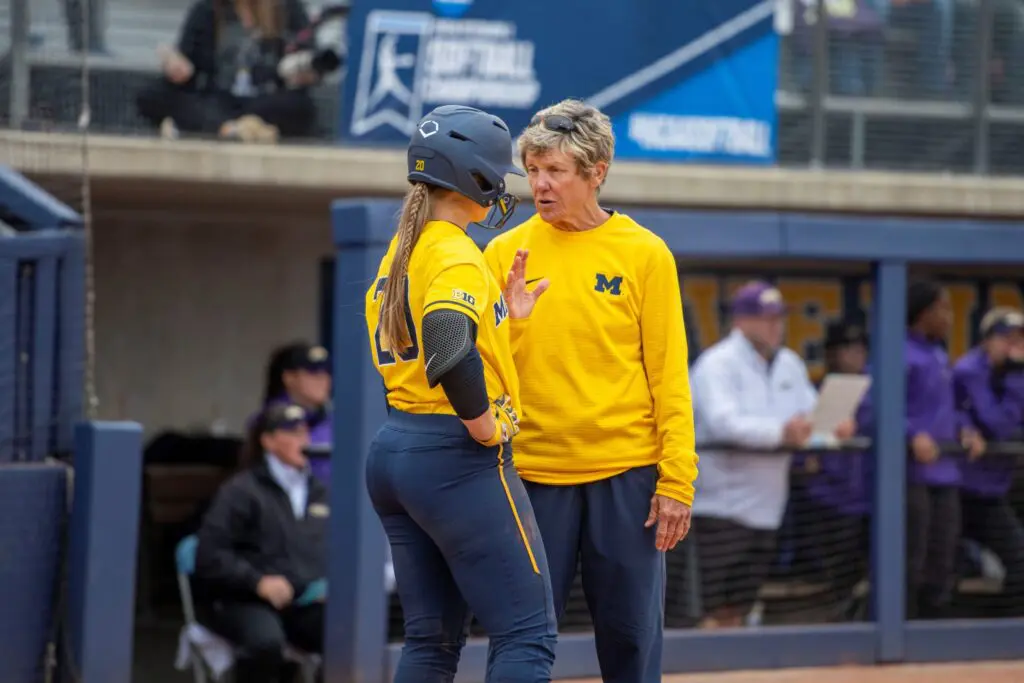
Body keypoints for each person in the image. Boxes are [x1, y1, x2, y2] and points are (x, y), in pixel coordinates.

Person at [482, 98, 698, 683]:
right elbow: (484, 375)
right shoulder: (503, 254)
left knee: (631, 641)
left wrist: (677, 481)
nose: (540, 184)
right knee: (521, 638)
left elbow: (670, 378)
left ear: (596, 171)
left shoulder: (645, 254)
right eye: (533, 170)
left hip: (627, 477)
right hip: (530, 475)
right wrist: (511, 324)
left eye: (555, 170)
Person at [364, 104, 557, 683]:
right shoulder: (452, 249)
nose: (503, 186)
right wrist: (484, 426)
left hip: (398, 448)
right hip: (454, 454)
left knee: (431, 642)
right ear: (474, 175)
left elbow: (450, 340)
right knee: (527, 635)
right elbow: (448, 347)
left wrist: (507, 321)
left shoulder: (404, 249)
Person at [689, 282, 853, 628]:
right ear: (741, 321)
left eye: (779, 318)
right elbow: (723, 423)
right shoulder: (716, 364)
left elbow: (811, 415)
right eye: (766, 318)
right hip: (720, 509)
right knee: (709, 609)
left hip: (768, 507)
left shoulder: (789, 363)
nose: (776, 326)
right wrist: (781, 433)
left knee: (741, 606)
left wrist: (833, 427)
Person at [194, 403, 327, 683]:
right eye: (291, 432)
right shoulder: (241, 491)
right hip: (244, 598)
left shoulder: (320, 492)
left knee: (348, 632)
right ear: (268, 441)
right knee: (265, 642)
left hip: (303, 599)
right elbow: (210, 554)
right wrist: (257, 582)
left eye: (305, 432)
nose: (303, 440)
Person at [900, 280, 985, 619]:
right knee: (911, 559)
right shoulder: (898, 351)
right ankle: (900, 631)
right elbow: (877, 407)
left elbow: (949, 408)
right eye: (943, 309)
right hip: (911, 474)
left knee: (943, 558)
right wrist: (910, 435)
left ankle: (930, 630)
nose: (949, 317)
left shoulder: (939, 354)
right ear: (923, 312)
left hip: (945, 472)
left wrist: (967, 429)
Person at [137, 0, 317, 142]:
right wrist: (175, 65)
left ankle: (224, 128)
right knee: (154, 94)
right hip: (218, 101)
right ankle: (237, 129)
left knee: (299, 106)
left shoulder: (287, 8)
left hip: (266, 101)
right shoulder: (208, 9)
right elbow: (187, 64)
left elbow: (308, 58)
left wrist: (304, 71)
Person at [953, 307, 1024, 616]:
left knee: (1019, 562)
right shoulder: (969, 369)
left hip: (992, 490)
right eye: (1006, 337)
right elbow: (1000, 425)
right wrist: (1018, 375)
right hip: (957, 490)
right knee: (943, 569)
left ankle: (999, 625)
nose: (1015, 346)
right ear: (986, 340)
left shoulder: (1014, 372)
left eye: (1020, 338)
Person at [255, 341, 333, 482]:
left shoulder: (335, 420)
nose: (323, 379)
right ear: (289, 377)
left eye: (326, 371)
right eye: (313, 372)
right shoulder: (267, 421)